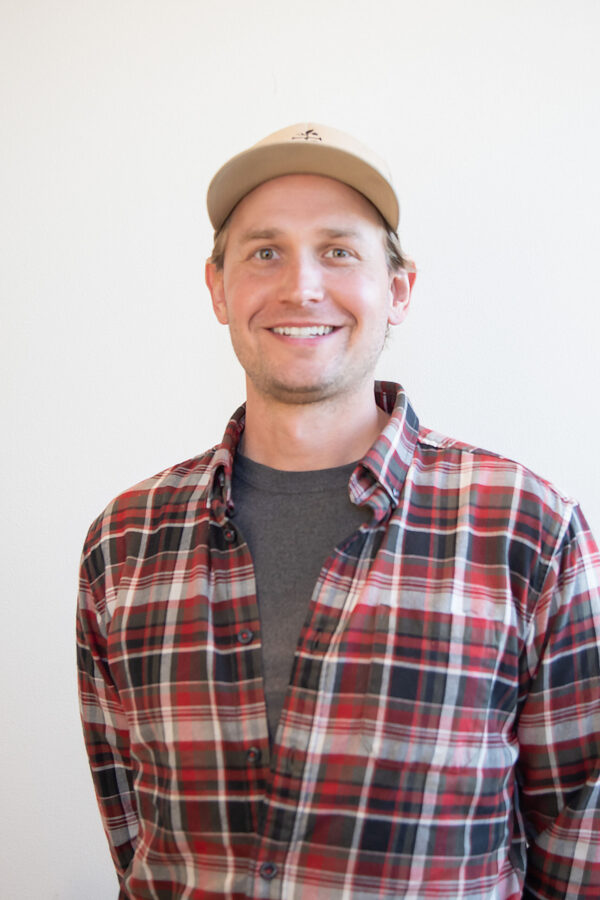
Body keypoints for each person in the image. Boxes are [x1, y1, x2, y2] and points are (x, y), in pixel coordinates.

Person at [77, 123, 600, 899]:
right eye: (264, 252)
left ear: (399, 290)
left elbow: (580, 836)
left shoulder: (528, 529)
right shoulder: (123, 544)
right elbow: (134, 835)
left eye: (338, 251)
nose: (301, 287)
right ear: (218, 288)